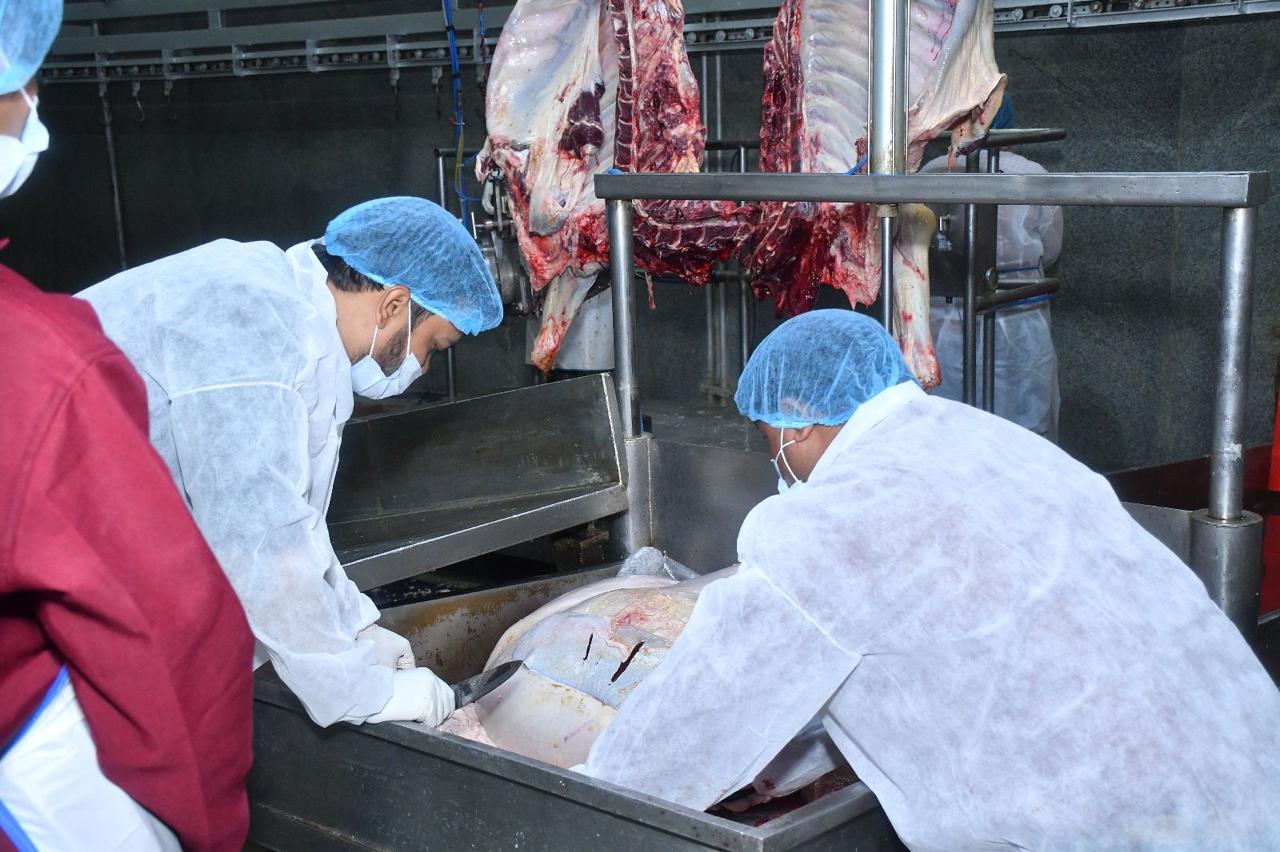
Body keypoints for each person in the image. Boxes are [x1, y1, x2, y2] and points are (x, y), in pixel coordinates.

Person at [581, 310, 1280, 848]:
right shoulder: (988, 439)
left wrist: (579, 794)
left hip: (1113, 822)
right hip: (1248, 759)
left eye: (768, 439)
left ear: (801, 422)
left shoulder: (828, 521)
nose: (777, 461)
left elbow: (700, 717)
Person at [79, 198, 503, 728]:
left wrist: (355, 626)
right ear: (394, 305)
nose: (422, 365)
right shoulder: (254, 319)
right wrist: (357, 691)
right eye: (434, 345)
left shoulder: (300, 329)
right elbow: (259, 538)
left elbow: (292, 519)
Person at [0, 2, 256, 849]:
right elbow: (168, 637)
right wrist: (208, 830)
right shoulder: (39, 365)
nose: (33, 102)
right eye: (22, 80)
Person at [921, 95, 1065, 440]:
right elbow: (1052, 249)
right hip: (1017, 315)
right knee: (1021, 431)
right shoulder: (1034, 175)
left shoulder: (932, 172)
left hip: (944, 314)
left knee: (947, 429)